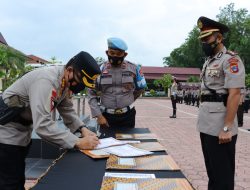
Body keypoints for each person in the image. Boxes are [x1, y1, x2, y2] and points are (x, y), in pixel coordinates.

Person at [0, 51, 101, 190]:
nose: (79, 87)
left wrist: (83, 129)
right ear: (70, 70)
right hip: (6, 132)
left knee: (16, 178)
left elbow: (67, 109)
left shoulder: (64, 81)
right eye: (79, 80)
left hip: (22, 132)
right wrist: (77, 142)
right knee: (10, 183)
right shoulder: (46, 81)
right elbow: (42, 125)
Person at [197, 16, 245, 190]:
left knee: (223, 176)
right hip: (206, 124)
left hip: (220, 127)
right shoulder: (209, 61)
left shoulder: (230, 59)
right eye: (201, 38)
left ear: (219, 37)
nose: (203, 42)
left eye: (207, 38)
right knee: (213, 173)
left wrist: (226, 128)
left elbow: (234, 94)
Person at [87, 37, 146, 129]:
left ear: (125, 54)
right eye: (112, 53)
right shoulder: (99, 69)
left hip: (128, 116)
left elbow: (140, 88)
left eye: (119, 54)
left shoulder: (134, 69)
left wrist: (128, 100)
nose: (115, 56)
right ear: (107, 53)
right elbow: (91, 93)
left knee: (127, 142)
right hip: (106, 116)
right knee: (106, 142)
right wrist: (98, 116)